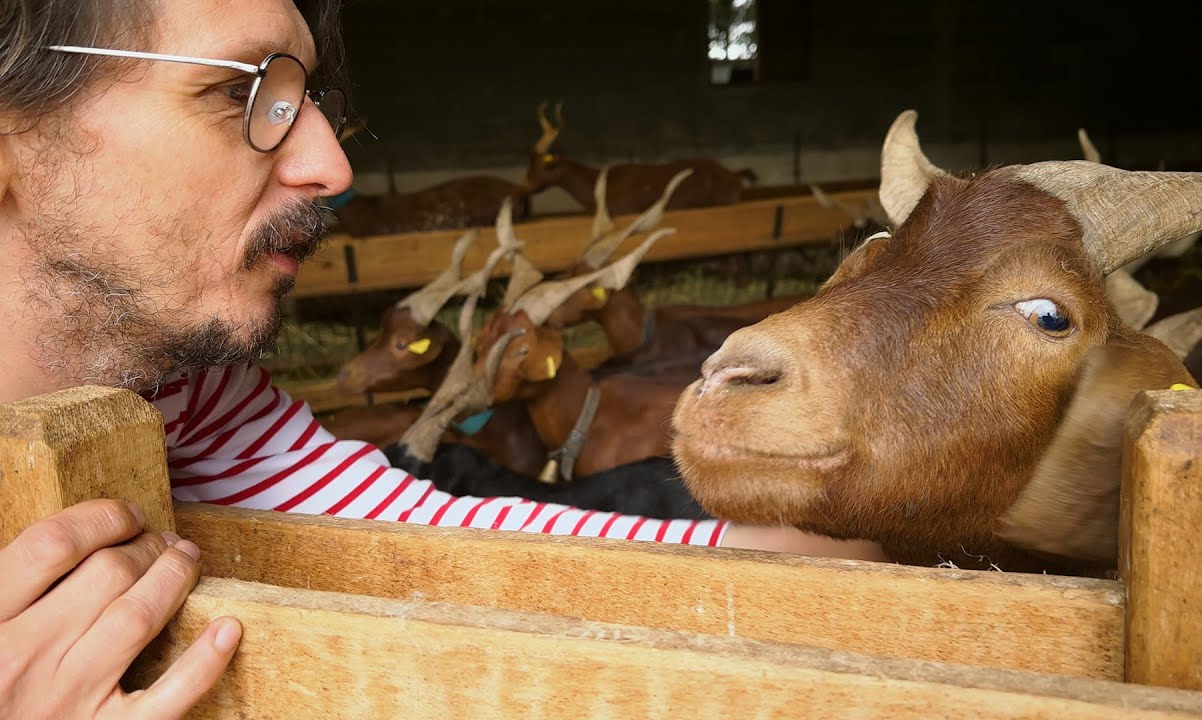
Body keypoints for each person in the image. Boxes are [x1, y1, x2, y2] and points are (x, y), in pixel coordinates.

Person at [0, 0, 886, 716]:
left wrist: (733, 554)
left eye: (312, 102)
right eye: (244, 96)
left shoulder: (185, 387)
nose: (331, 163)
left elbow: (404, 531)